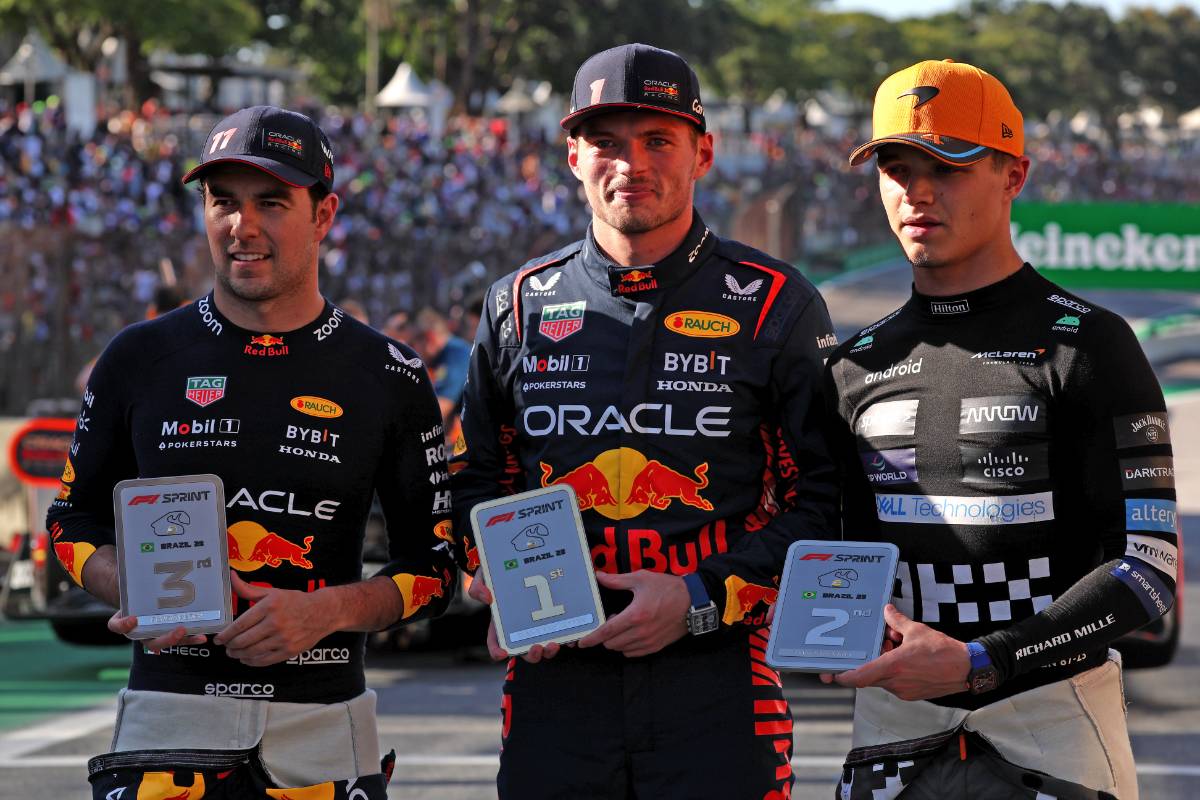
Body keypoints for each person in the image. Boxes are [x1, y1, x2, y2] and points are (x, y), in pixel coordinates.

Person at [450, 43, 839, 799]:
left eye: (658, 140)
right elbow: (473, 484)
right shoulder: (516, 303)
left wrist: (696, 598)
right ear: (572, 157)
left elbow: (825, 504)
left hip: (719, 680)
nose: (631, 164)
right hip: (554, 680)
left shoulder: (776, 303)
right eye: (606, 142)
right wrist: (494, 574)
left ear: (704, 153)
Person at [47, 105, 458, 800]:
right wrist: (134, 590)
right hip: (166, 729)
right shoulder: (138, 358)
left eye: (271, 202)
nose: (243, 226)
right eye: (223, 202)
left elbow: (436, 571)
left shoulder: (388, 373)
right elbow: (69, 523)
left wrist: (324, 611)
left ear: (323, 216)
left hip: (324, 734)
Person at [824, 59, 1176, 799]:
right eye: (896, 166)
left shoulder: (1091, 343)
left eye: (945, 166)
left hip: (1052, 725)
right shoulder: (853, 364)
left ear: (1013, 175)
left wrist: (985, 660)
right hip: (892, 731)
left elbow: (1148, 570)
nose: (916, 191)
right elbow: (828, 553)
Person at [410, 305, 471, 425]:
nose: (411, 350)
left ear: (429, 337)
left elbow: (439, 409)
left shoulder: (457, 353)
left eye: (412, 343)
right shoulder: (440, 357)